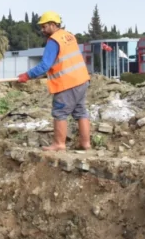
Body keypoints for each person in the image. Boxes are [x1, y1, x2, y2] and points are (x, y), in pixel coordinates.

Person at [17, 11, 91, 151]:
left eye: (44, 26)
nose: (42, 30)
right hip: (82, 80)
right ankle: (85, 143)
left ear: (52, 24)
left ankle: (59, 144)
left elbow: (45, 65)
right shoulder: (69, 36)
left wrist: (27, 75)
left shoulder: (54, 41)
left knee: (60, 113)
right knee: (81, 112)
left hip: (67, 83)